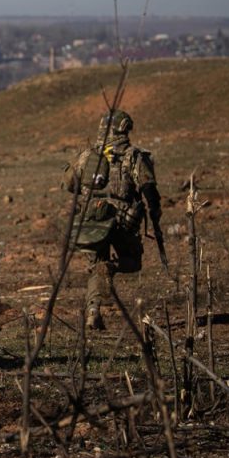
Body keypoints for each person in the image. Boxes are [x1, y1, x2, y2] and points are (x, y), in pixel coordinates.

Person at [62, 110, 161, 330]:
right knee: (132, 262)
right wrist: (155, 211)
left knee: (96, 267)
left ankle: (92, 312)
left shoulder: (88, 155)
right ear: (124, 128)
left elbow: (69, 184)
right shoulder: (133, 155)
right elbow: (148, 188)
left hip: (92, 221)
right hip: (122, 219)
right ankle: (111, 268)